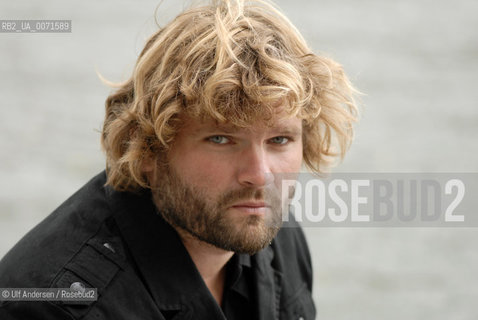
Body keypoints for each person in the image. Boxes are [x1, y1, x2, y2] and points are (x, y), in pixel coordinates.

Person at [0, 0, 357, 319]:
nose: (260, 175)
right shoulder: (50, 307)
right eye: (221, 138)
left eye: (280, 140)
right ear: (147, 151)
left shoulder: (270, 229)